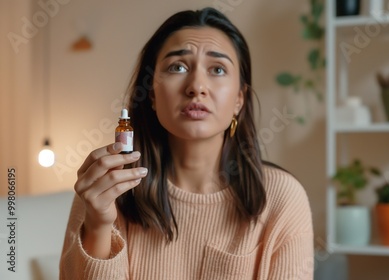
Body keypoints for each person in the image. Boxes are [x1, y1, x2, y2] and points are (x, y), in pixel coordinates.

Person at [60, 7, 314, 280]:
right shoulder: (107, 189)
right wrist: (98, 226)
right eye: (177, 67)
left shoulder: (282, 198)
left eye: (217, 69)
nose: (196, 86)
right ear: (153, 95)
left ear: (239, 99)